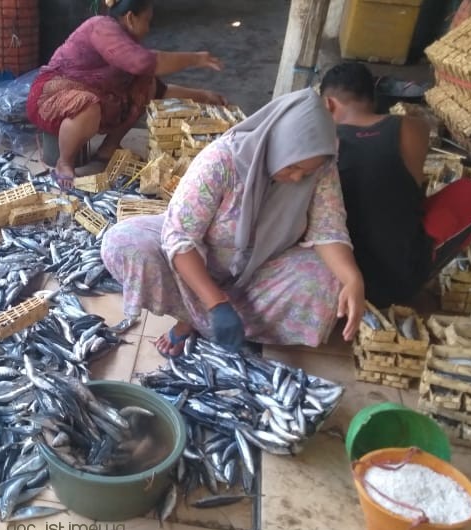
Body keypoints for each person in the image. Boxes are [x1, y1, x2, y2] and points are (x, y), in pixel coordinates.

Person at [101, 88, 366, 356]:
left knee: (329, 277)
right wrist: (217, 305)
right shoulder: (222, 161)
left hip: (263, 266)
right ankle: (197, 319)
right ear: (276, 144)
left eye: (306, 173)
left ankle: (214, 323)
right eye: (293, 167)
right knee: (123, 243)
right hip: (201, 257)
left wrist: (353, 279)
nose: (298, 178)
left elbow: (327, 228)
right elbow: (180, 237)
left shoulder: (320, 166)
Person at [320, 62, 471, 307]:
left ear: (328, 104)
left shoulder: (324, 142)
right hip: (399, 281)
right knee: (469, 192)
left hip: (338, 280)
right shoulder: (414, 128)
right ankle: (424, 269)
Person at [26, 0, 227, 189]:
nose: (148, 29)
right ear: (130, 18)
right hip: (52, 94)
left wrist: (204, 96)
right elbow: (142, 62)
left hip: (95, 96)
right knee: (88, 104)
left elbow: (158, 90)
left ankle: (108, 149)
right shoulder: (100, 26)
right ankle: (65, 162)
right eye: (146, 21)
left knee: (143, 84)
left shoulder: (126, 43)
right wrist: (196, 59)